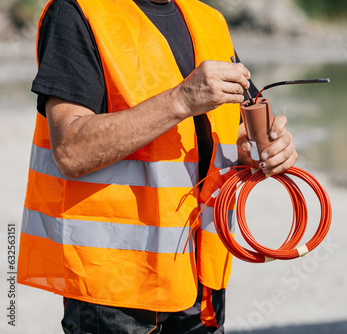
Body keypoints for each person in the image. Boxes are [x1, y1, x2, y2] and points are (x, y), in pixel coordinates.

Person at [17, 0, 298, 333]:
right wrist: (180, 100)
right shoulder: (79, 11)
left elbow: (229, 129)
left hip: (198, 278)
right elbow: (70, 151)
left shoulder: (209, 21)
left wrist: (260, 149)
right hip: (116, 287)